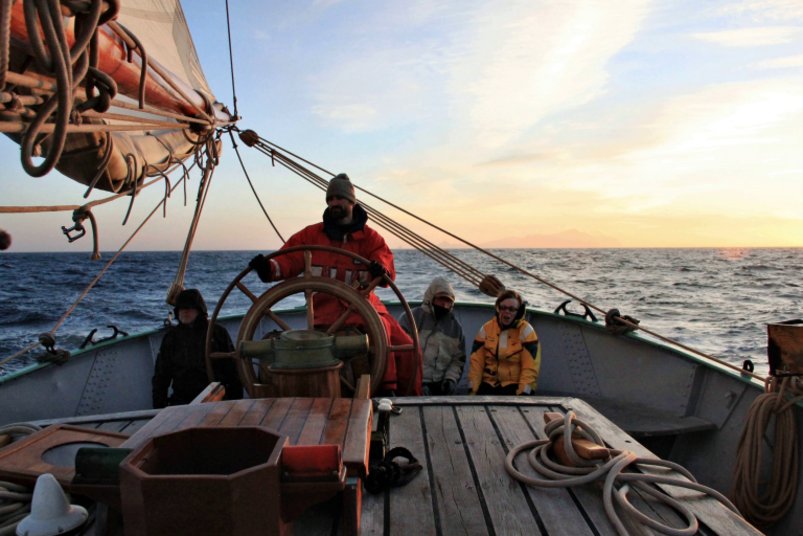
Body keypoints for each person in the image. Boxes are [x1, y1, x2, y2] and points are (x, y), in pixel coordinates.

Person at [249, 173, 423, 395]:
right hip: (326, 314)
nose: (334, 203)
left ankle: (411, 400)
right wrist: (268, 268)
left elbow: (384, 258)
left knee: (410, 348)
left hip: (366, 307)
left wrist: (380, 268)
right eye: (330, 199)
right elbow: (288, 259)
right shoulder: (310, 236)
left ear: (352, 202)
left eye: (339, 199)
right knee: (382, 331)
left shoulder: (370, 238)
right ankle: (383, 391)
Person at [152, 288, 243, 408]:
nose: (185, 311)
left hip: (216, 400)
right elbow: (161, 377)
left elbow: (233, 372)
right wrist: (160, 410)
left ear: (199, 310)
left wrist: (234, 405)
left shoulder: (217, 333)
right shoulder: (171, 338)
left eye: (189, 308)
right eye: (181, 308)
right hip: (182, 402)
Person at [399, 276, 466, 395]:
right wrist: (415, 382)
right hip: (412, 382)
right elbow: (399, 354)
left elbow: (458, 361)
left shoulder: (456, 328)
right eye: (441, 299)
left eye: (448, 301)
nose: (444, 305)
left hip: (440, 385)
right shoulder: (410, 318)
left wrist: (450, 379)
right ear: (431, 298)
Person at [468, 289, 540, 396]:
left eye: (511, 309)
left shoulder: (526, 332)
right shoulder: (486, 329)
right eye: (503, 308)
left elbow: (530, 368)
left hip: (513, 387)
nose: (507, 312)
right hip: (488, 384)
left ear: (519, 311)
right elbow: (476, 364)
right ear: (498, 309)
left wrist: (523, 395)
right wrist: (473, 391)